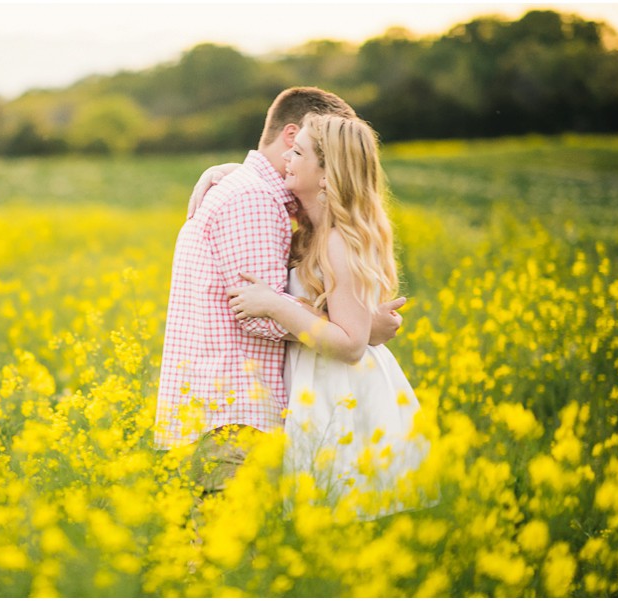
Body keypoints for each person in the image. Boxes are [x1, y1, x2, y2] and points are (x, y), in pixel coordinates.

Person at [153, 87, 406, 502]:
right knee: (223, 546)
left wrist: (353, 325)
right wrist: (362, 326)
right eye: (298, 149)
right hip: (233, 407)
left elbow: (276, 302)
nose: (292, 161)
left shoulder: (277, 203)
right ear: (292, 136)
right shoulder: (255, 197)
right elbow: (256, 313)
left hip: (250, 406)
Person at [227, 113, 432, 518]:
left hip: (341, 391)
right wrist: (224, 172)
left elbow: (350, 345)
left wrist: (274, 304)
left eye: (298, 152)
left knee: (341, 517)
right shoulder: (313, 230)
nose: (287, 156)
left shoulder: (340, 241)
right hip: (317, 383)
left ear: (326, 175)